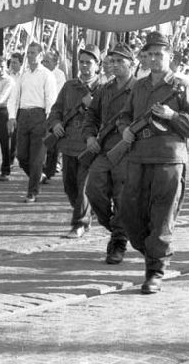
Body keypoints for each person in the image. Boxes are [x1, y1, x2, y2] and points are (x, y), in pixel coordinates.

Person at [116, 32, 189, 294]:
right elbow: (125, 116)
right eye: (149, 54)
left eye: (159, 54)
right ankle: (152, 252)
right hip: (139, 157)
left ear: (170, 56)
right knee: (130, 214)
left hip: (168, 158)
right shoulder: (139, 86)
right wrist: (124, 130)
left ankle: (155, 270)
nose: (154, 58)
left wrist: (173, 115)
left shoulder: (181, 85)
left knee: (162, 216)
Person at [83, 42, 136, 264]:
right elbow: (92, 117)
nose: (114, 65)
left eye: (119, 61)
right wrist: (90, 137)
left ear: (131, 64)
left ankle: (118, 240)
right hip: (105, 150)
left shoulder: (140, 89)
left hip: (127, 151)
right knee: (93, 190)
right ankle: (117, 227)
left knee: (121, 196)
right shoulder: (105, 89)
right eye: (112, 61)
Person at [48, 46, 102, 238]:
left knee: (84, 186)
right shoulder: (69, 86)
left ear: (97, 65)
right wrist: (54, 124)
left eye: (89, 62)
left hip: (89, 145)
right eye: (82, 62)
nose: (85, 66)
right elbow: (56, 109)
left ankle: (79, 223)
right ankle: (87, 211)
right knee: (69, 186)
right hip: (69, 143)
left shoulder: (103, 88)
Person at [8, 41, 57, 203]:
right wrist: (12, 117)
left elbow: (51, 99)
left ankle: (32, 192)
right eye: (28, 53)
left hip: (40, 116)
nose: (29, 56)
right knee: (21, 156)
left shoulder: (47, 75)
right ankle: (38, 176)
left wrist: (50, 121)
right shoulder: (24, 74)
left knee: (36, 158)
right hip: (23, 116)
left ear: (41, 55)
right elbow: (15, 96)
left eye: (33, 53)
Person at [41, 48, 66, 183]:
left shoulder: (59, 75)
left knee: (52, 144)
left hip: (54, 111)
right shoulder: (40, 73)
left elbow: (56, 94)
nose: (44, 63)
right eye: (43, 61)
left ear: (55, 63)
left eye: (47, 61)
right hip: (41, 111)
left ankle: (48, 171)